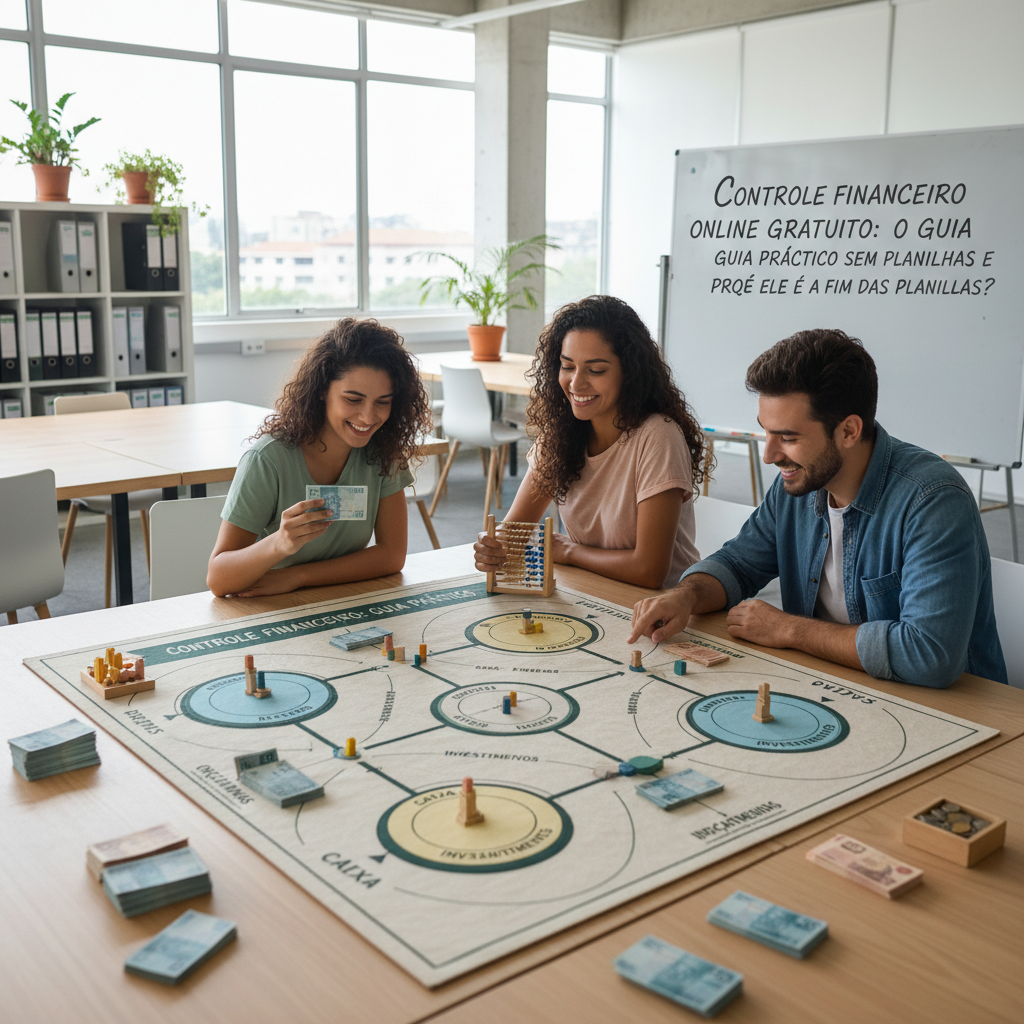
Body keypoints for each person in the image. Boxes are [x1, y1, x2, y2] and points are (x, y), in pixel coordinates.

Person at [629, 328, 1007, 688]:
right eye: (767, 432)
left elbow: (930, 655)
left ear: (848, 431)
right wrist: (686, 595)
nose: (770, 455)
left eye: (789, 438)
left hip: (956, 714)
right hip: (830, 684)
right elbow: (738, 564)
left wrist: (789, 630)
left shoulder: (933, 500)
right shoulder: (797, 484)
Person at [474, 295, 709, 590]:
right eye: (567, 366)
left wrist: (569, 551)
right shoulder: (559, 435)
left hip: (661, 607)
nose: (576, 383)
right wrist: (494, 548)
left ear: (630, 373)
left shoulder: (658, 436)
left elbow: (650, 571)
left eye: (596, 370)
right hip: (592, 591)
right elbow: (514, 534)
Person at [208, 318, 431, 598]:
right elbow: (218, 579)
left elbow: (391, 556)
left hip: (339, 598)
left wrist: (298, 576)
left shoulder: (383, 452)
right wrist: (280, 543)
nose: (368, 417)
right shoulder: (267, 459)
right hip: (272, 607)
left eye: (382, 402)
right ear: (322, 390)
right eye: (353, 399)